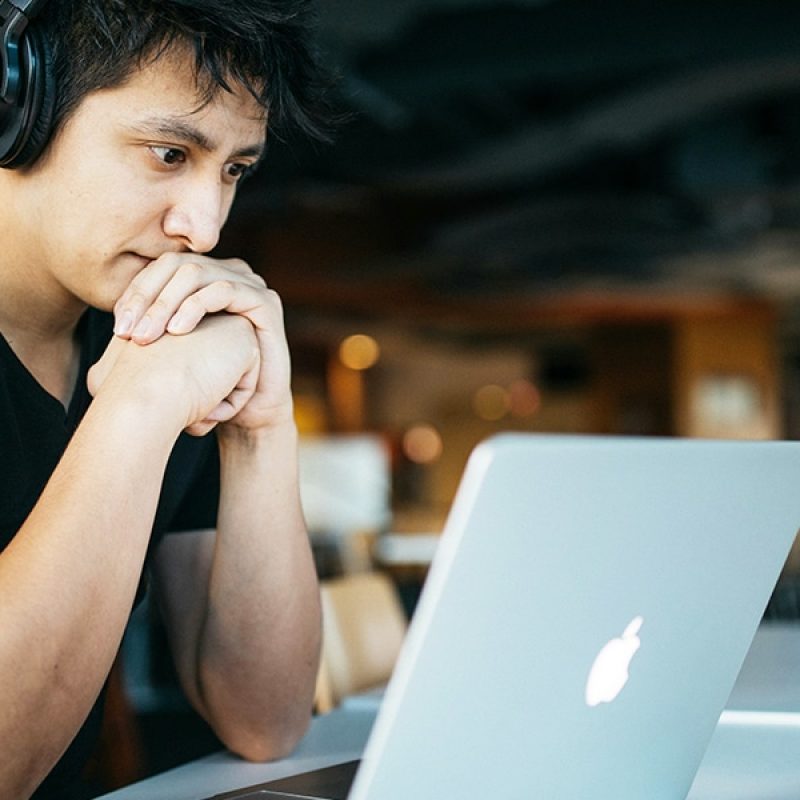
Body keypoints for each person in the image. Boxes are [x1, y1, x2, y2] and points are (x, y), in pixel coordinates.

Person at [0, 1, 332, 797]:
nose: (205, 226)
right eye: (167, 152)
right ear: (16, 113)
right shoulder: (158, 372)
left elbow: (264, 719)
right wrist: (139, 408)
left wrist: (261, 425)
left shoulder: (159, 345)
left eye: (233, 170)